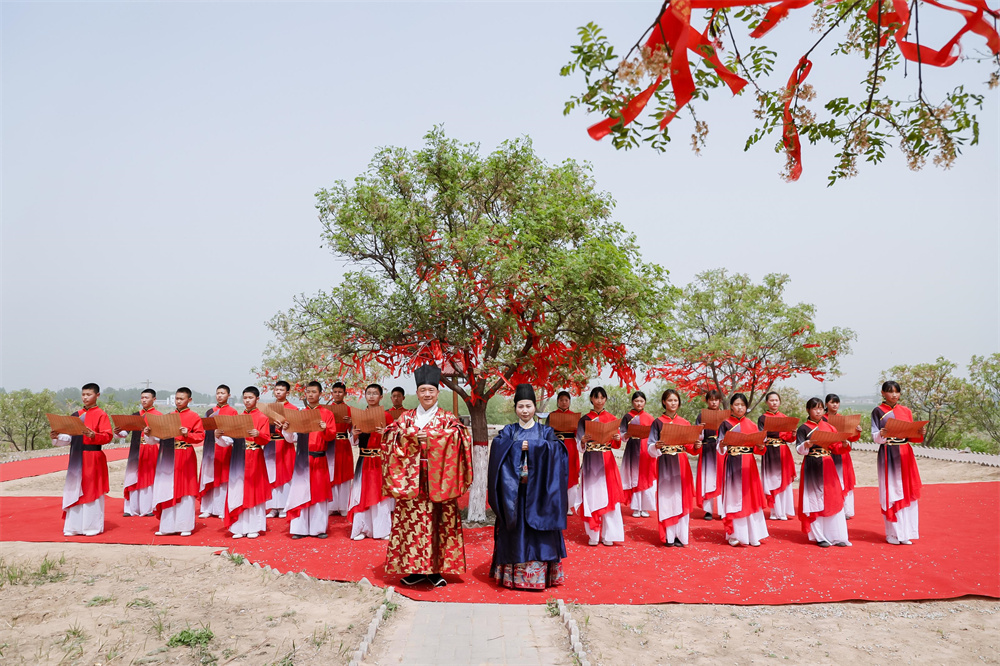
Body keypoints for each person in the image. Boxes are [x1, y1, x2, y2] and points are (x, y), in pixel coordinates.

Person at [382, 364, 473, 588]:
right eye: (423, 391)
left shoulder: (446, 418)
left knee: (438, 523)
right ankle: (413, 569)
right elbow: (389, 434)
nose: (427, 395)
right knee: (410, 524)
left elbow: (461, 436)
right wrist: (411, 435)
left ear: (437, 393)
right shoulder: (406, 417)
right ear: (418, 393)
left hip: (439, 479)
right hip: (410, 479)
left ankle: (435, 570)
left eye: (431, 391)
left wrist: (432, 437)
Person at [488, 384, 568, 590]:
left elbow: (559, 450)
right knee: (515, 533)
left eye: (528, 406)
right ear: (515, 408)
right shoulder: (509, 431)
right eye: (521, 406)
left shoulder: (545, 431)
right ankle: (512, 576)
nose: (524, 410)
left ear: (535, 408)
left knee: (540, 534)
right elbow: (497, 447)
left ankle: (541, 576)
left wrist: (533, 447)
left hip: (541, 495)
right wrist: (516, 447)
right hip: (514, 495)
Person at [52, 382, 113, 536]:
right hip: (76, 457)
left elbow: (108, 436)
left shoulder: (101, 414)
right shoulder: (76, 415)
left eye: (89, 394)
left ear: (97, 395)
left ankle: (91, 526)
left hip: (93, 457)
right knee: (75, 489)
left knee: (91, 490)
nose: (85, 397)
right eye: (83, 394)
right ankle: (73, 527)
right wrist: (56, 436)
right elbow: (69, 438)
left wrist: (95, 435)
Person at [871, 381, 924, 545]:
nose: (894, 395)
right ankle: (893, 534)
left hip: (906, 453)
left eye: (896, 392)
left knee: (907, 491)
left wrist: (919, 432)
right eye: (890, 391)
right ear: (883, 393)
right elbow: (875, 437)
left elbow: (912, 437)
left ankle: (907, 532)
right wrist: (882, 433)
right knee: (892, 492)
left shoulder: (906, 411)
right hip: (889, 453)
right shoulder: (878, 411)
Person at [283, 381, 337, 539]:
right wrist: (286, 429)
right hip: (302, 459)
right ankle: (299, 529)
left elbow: (331, 436)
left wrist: (325, 428)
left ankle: (318, 529)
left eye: (314, 391)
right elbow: (291, 438)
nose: (311, 394)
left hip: (319, 458)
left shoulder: (327, 414)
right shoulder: (299, 414)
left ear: (320, 394)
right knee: (300, 492)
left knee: (318, 495)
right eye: (308, 392)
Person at [796, 398, 851, 547]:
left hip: (828, 464)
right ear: (808, 410)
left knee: (832, 498)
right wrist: (806, 444)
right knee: (815, 500)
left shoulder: (829, 427)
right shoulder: (803, 428)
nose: (818, 411)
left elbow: (837, 448)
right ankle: (819, 536)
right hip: (812, 465)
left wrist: (844, 443)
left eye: (821, 408)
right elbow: (799, 449)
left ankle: (837, 536)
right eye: (815, 408)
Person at [647, 389, 699, 547]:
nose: (673, 403)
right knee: (667, 498)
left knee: (681, 497)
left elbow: (690, 447)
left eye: (675, 400)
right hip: (665, 462)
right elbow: (650, 446)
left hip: (682, 462)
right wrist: (656, 445)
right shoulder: (657, 422)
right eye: (670, 400)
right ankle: (669, 537)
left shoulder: (685, 422)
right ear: (664, 402)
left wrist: (696, 445)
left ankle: (681, 537)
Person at [576, 386, 626, 547]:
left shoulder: (612, 418)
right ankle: (593, 533)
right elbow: (579, 443)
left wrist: (617, 438)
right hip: (591, 460)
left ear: (605, 399)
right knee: (591, 495)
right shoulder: (584, 419)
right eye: (596, 397)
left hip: (607, 460)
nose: (599, 400)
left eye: (602, 397)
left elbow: (616, 445)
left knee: (610, 496)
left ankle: (609, 534)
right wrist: (583, 441)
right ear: (591, 399)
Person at [152, 387, 205, 536]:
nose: (178, 401)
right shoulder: (169, 416)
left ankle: (185, 525)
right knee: (168, 488)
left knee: (185, 489)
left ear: (189, 400)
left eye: (182, 398)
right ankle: (167, 526)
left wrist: (187, 434)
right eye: (177, 398)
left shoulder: (194, 416)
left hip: (185, 453)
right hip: (169, 454)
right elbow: (160, 435)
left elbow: (200, 436)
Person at [717, 393, 768, 547]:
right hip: (733, 462)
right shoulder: (725, 424)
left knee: (750, 496)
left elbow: (760, 448)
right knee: (734, 497)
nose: (740, 408)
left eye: (743, 405)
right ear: (731, 406)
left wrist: (760, 446)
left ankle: (753, 534)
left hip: (748, 464)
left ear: (746, 407)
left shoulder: (752, 425)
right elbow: (720, 446)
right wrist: (722, 444)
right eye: (737, 404)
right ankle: (734, 534)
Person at [347, 384, 395, 540]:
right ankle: (362, 529)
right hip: (364, 459)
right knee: (361, 494)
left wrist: (385, 434)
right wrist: (353, 434)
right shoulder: (359, 415)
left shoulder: (387, 416)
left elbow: (395, 441)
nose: (372, 396)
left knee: (381, 496)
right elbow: (353, 442)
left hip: (380, 460)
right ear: (365, 395)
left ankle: (382, 530)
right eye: (369, 393)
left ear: (381, 397)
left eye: (375, 393)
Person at [224, 387, 272, 539]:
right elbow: (230, 439)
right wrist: (220, 435)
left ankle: (254, 527)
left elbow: (266, 439)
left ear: (257, 399)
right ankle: (238, 526)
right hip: (239, 455)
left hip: (255, 455)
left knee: (254, 489)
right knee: (238, 489)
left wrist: (259, 434)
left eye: (250, 397)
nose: (247, 400)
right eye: (245, 398)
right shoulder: (238, 417)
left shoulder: (263, 418)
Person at [199, 385, 238, 519]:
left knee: (223, 478)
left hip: (225, 447)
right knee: (209, 475)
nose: (220, 395)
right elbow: (203, 428)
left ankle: (222, 508)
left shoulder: (233, 412)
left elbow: (235, 431)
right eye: (218, 393)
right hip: (211, 447)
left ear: (229, 395)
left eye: (223, 393)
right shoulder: (210, 411)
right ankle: (207, 508)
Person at [120, 388, 161, 517]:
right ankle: (131, 509)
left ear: (154, 399)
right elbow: (124, 433)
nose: (144, 400)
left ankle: (147, 508)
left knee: (148, 478)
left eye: (147, 397)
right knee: (133, 477)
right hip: (136, 449)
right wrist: (118, 431)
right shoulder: (135, 415)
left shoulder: (159, 416)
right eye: (142, 397)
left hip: (151, 449)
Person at [757, 391, 797, 521]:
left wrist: (793, 434)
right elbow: (761, 435)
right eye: (771, 400)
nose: (774, 403)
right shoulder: (762, 418)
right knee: (772, 480)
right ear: (767, 402)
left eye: (776, 400)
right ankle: (775, 511)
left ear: (779, 402)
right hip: (769, 451)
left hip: (783, 451)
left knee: (784, 481)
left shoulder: (785, 418)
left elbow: (789, 439)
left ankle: (784, 511)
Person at [619, 391, 657, 518]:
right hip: (633, 449)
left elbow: (655, 436)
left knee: (645, 476)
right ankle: (636, 507)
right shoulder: (627, 416)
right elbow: (622, 434)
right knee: (634, 476)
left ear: (645, 402)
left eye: (641, 401)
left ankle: (645, 507)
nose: (639, 403)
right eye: (636, 401)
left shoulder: (650, 418)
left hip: (646, 451)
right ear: (632, 402)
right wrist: (627, 435)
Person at [265, 380, 299, 518]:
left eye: (281, 390)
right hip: (270, 444)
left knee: (285, 475)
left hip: (285, 444)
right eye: (276, 389)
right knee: (270, 474)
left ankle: (285, 506)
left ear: (288, 392)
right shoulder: (267, 408)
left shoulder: (293, 408)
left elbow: (296, 431)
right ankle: (273, 507)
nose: (278, 392)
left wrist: (285, 427)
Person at [824, 393, 860, 519]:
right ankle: (832, 507)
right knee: (830, 481)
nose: (835, 404)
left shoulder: (842, 419)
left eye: (837, 402)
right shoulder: (822, 419)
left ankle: (845, 510)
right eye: (832, 402)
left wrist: (856, 431)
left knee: (843, 480)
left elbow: (851, 437)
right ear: (826, 404)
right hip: (828, 452)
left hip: (842, 452)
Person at [545, 391, 581, 515]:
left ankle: (568, 505)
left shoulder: (575, 416)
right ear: (557, 402)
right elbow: (546, 433)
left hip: (571, 446)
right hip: (556, 446)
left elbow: (579, 435)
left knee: (570, 473)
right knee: (556, 473)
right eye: (561, 400)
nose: (564, 402)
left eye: (566, 400)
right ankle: (555, 504)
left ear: (569, 401)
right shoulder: (552, 415)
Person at [695, 390, 726, 520]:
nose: (714, 402)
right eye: (711, 399)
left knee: (722, 479)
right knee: (707, 478)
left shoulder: (726, 415)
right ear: (707, 401)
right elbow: (697, 436)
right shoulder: (701, 416)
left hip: (722, 449)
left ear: (720, 401)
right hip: (707, 448)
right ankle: (708, 510)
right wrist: (700, 429)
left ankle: (722, 510)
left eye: (716, 399)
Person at [326, 381, 354, 516]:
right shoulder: (326, 410)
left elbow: (354, 430)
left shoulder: (349, 409)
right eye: (335, 392)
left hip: (343, 444)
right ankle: (331, 505)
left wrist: (351, 423)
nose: (337, 394)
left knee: (343, 475)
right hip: (329, 444)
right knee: (331, 473)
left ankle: (343, 505)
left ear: (345, 394)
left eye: (340, 392)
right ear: (332, 393)